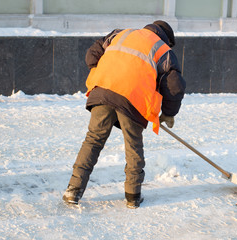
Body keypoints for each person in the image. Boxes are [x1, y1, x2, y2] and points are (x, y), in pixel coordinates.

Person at [62, 20, 186, 209]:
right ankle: (133, 197)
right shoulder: (163, 50)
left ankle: (73, 190)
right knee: (133, 145)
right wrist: (169, 113)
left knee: (93, 140)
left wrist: (102, 73)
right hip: (133, 101)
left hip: (103, 91)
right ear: (166, 38)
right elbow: (174, 86)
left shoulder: (121, 33)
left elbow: (91, 55)